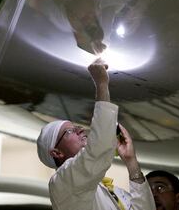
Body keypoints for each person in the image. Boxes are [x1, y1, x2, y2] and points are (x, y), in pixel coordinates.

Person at [37, 58, 155, 210]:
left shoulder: (110, 191)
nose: (80, 129)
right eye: (69, 131)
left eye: (76, 126)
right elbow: (98, 149)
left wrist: (131, 162)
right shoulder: (62, 183)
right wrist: (101, 84)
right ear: (56, 152)